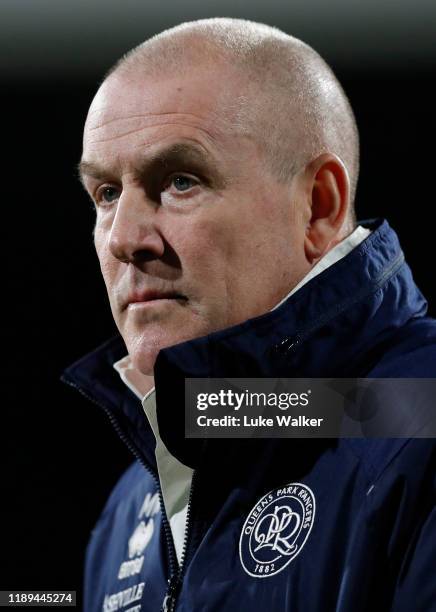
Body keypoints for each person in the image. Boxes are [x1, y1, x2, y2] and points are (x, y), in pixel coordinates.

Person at [62, 18, 436, 612]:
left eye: (180, 181)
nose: (124, 238)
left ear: (318, 206)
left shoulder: (420, 428)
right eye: (106, 194)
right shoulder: (128, 509)